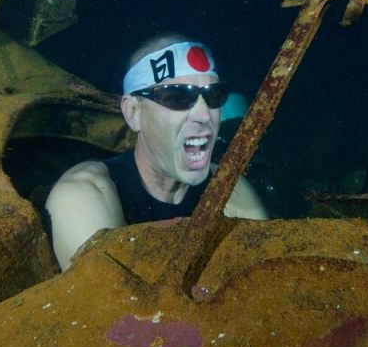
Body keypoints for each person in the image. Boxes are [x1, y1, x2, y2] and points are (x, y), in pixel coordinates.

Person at [45, 34, 269, 270]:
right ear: (133, 113)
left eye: (214, 96)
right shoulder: (81, 196)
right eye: (177, 97)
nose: (205, 116)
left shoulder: (229, 189)